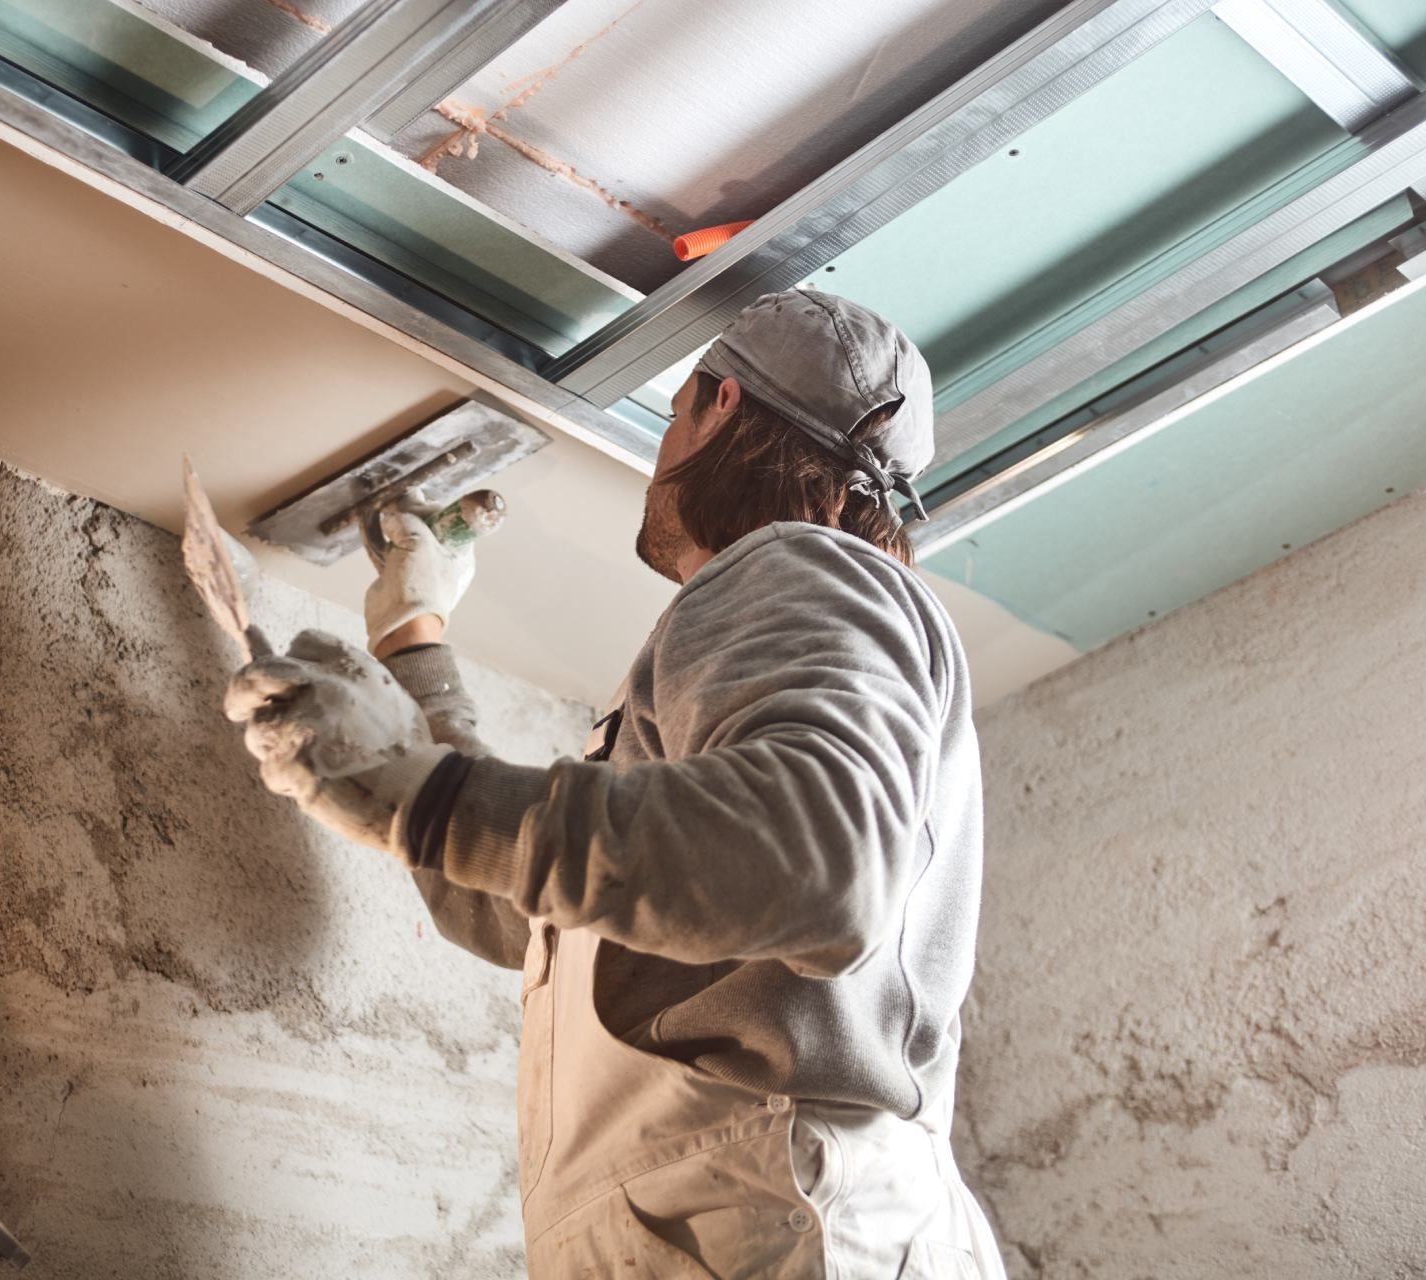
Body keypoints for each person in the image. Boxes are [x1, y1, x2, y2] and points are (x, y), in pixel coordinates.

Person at [224, 290, 1006, 1279]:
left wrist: (413, 787)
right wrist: (413, 644)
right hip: (716, 1214)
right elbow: (530, 907)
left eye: (675, 407)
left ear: (720, 405)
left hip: (776, 1212)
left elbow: (818, 862)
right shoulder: (774, 653)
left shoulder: (801, 570)